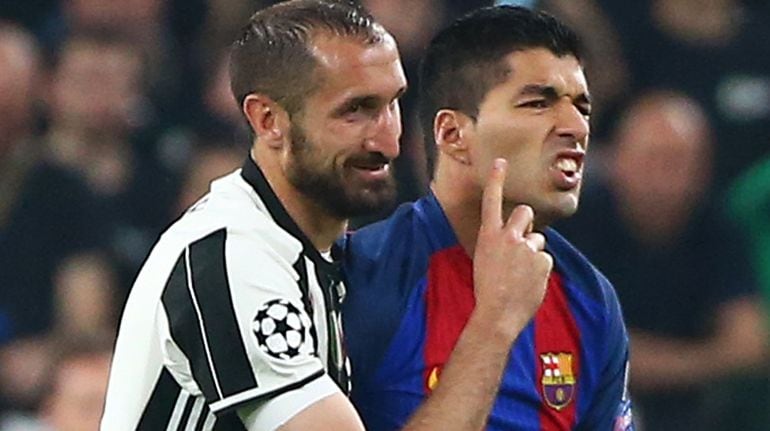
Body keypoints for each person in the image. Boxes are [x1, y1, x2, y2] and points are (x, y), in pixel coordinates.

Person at [101, 1, 551, 430]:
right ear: (268, 120)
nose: (388, 142)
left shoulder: (321, 256)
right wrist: (496, 320)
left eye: (392, 104)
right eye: (356, 111)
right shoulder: (231, 256)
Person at [341, 6, 633, 430]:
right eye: (538, 103)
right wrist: (496, 319)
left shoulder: (590, 300)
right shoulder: (361, 278)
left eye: (582, 108)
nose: (575, 126)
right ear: (452, 135)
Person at [558, 91, 767, 431]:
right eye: (654, 159)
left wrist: (637, 358)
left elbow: (749, 345)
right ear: (616, 159)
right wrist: (708, 361)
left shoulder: (718, 227)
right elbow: (581, 352)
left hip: (696, 416)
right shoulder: (572, 227)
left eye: (681, 161)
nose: (666, 177)